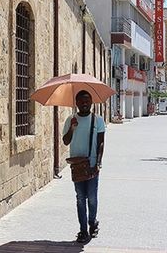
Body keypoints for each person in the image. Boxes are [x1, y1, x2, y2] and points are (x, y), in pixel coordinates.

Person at [63, 90, 106, 243]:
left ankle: (92, 223)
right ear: (77, 103)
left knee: (92, 198)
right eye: (81, 101)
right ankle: (82, 230)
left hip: (93, 164)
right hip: (77, 166)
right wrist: (72, 128)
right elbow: (66, 141)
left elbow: (101, 143)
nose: (84, 104)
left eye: (87, 101)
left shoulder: (98, 121)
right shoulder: (70, 120)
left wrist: (99, 163)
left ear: (91, 102)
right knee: (81, 198)